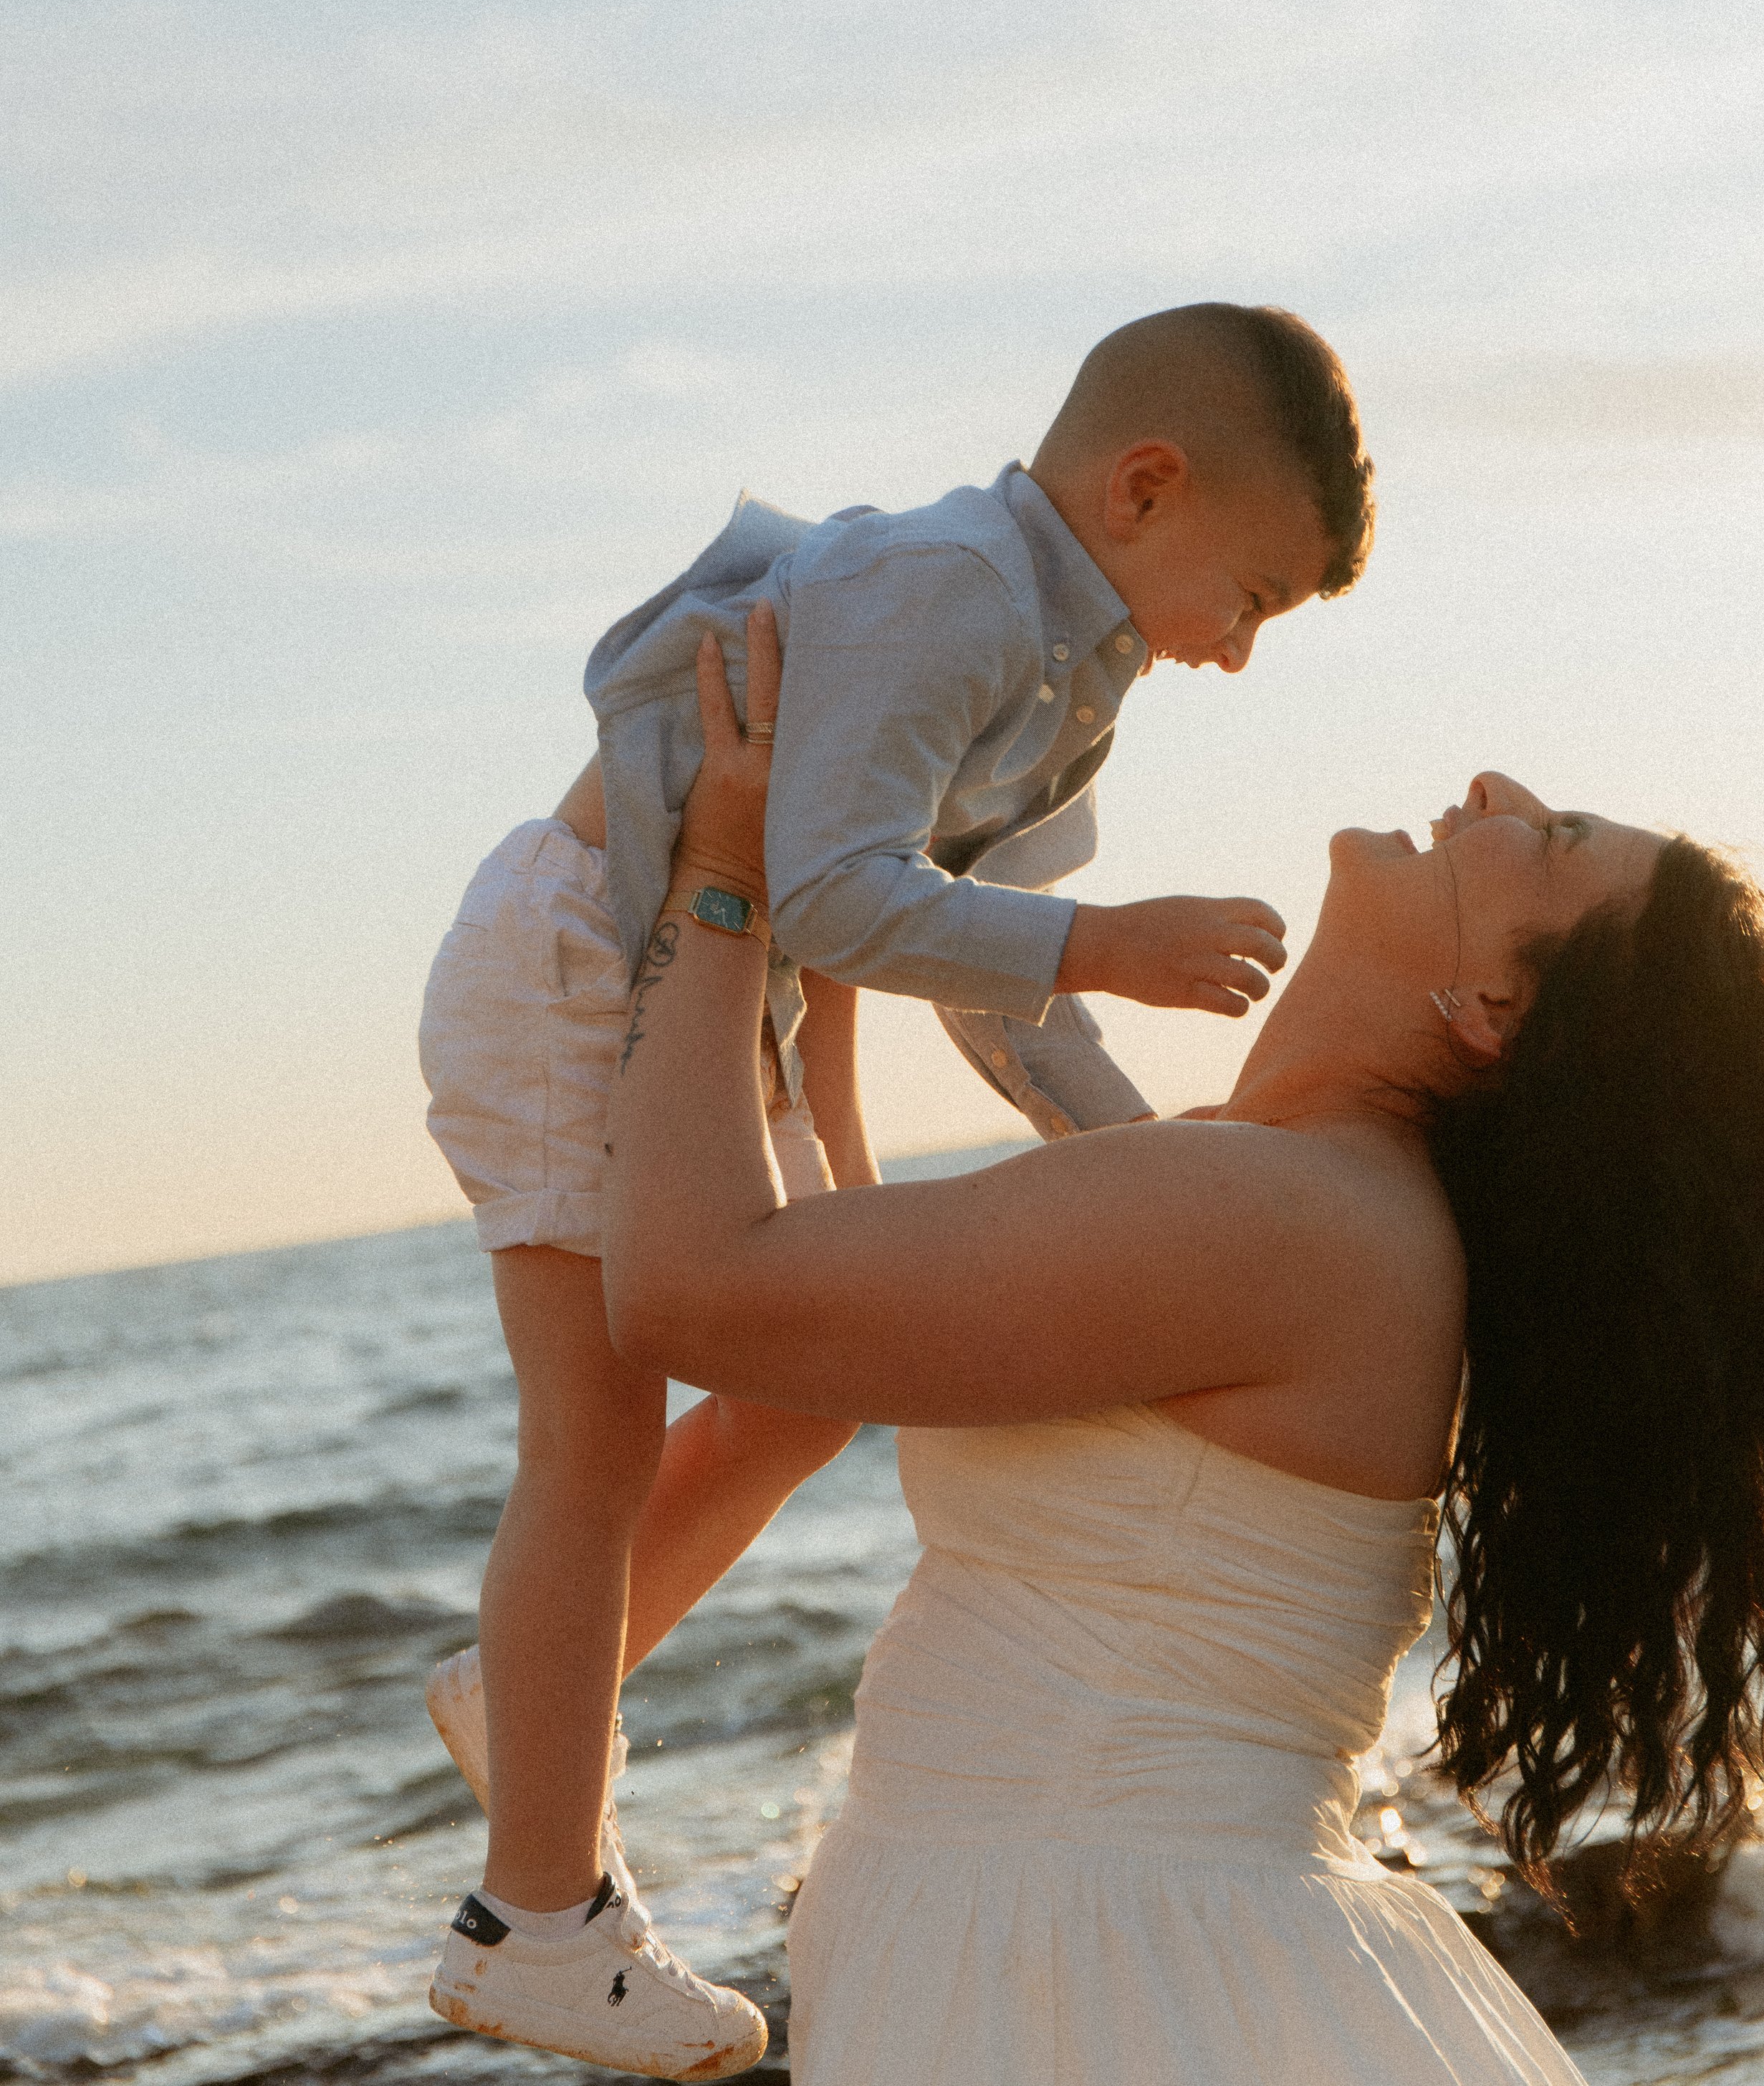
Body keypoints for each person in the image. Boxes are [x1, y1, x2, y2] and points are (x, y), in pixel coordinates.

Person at [592, 606, 1764, 2085]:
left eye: (1547, 841)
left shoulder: (1282, 1217)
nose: (1492, 791)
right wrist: (826, 939)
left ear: (1488, 1007)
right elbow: (824, 1313)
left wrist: (718, 880)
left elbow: (691, 1292)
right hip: (1101, 1940)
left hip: (1106, 1972)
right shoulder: (1286, 1195)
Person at [421, 304, 1376, 2075]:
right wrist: (1111, 939)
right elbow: (845, 890)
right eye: (1250, 601)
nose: (1238, 655)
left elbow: (995, 997)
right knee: (593, 1443)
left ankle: (528, 1696)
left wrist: (1200, 1172)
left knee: (801, 1387)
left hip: (711, 1002)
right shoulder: (953, 590)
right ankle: (533, 1921)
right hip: (576, 966)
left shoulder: (1068, 669)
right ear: (1146, 488)